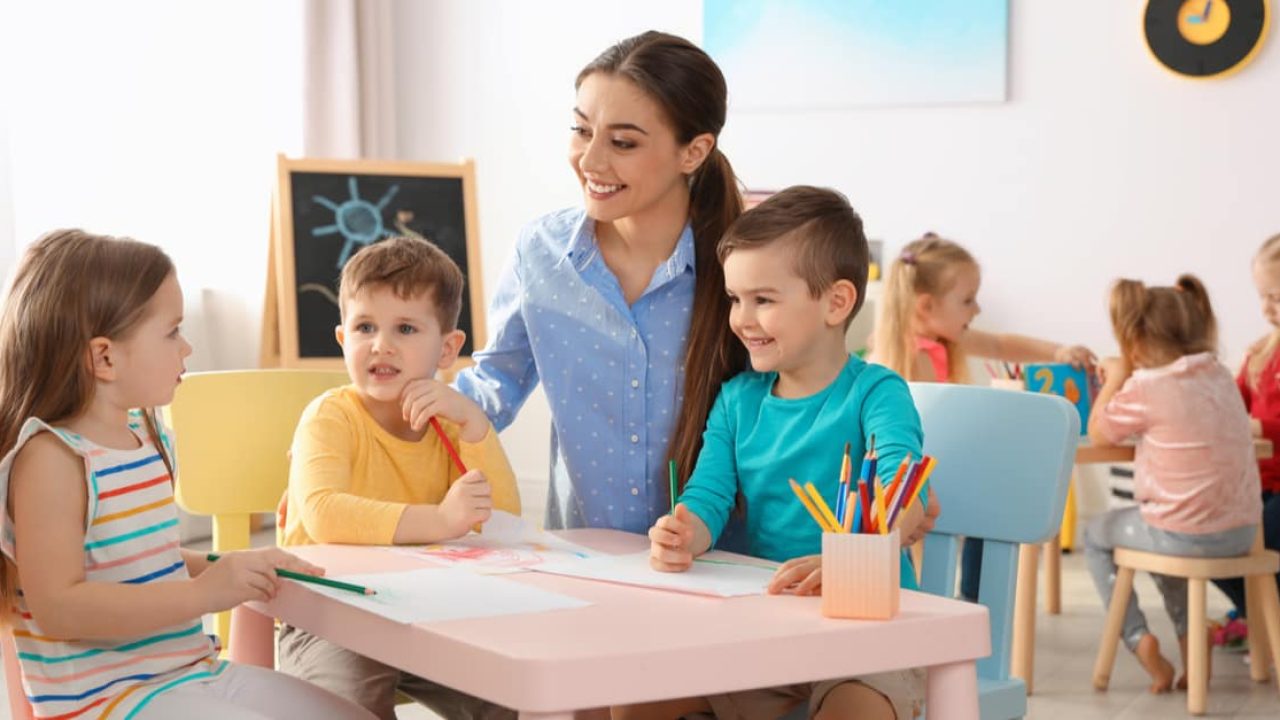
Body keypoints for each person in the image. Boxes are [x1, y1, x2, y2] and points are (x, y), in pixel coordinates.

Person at [0, 229, 375, 720]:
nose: (188, 348)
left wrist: (231, 565)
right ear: (105, 357)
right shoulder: (51, 460)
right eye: (172, 331)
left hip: (189, 672)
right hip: (110, 702)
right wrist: (205, 592)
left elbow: (133, 557)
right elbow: (59, 608)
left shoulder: (142, 435)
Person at [627, 187, 927, 720]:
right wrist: (685, 532)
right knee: (638, 700)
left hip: (870, 631)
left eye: (763, 300)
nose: (741, 318)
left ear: (836, 303)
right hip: (767, 630)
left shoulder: (877, 393)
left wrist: (854, 558)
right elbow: (708, 495)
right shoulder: (737, 400)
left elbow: (903, 494)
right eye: (735, 299)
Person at [452, 30, 742, 534]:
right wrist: (364, 436)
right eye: (582, 130)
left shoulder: (740, 265)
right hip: (584, 560)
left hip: (721, 569)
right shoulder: (540, 252)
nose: (590, 161)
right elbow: (491, 387)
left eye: (622, 142)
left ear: (693, 152)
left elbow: (801, 396)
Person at [278, 236, 521, 720]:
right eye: (365, 326)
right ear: (344, 339)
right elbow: (324, 515)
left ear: (448, 349)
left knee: (513, 698)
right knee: (346, 708)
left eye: (405, 328)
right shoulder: (329, 416)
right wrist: (440, 520)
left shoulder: (451, 423)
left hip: (430, 611)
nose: (381, 344)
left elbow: (506, 521)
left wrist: (475, 425)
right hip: (330, 615)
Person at [870, 232, 1094, 600]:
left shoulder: (942, 341)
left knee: (991, 510)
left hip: (937, 479)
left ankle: (970, 601)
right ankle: (957, 603)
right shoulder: (909, 359)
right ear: (926, 306)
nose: (977, 311)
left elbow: (1001, 344)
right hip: (913, 487)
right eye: (968, 301)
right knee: (977, 516)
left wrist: (1060, 351)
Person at [1084, 274, 1260, 693]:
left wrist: (1115, 374)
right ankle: (1191, 642)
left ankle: (1136, 638)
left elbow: (1099, 433)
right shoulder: (1219, 375)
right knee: (1166, 534)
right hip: (1243, 533)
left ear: (1137, 342)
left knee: (1095, 534)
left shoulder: (1147, 386)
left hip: (1181, 533)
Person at [1211, 233, 1280, 646]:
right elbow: (1231, 405)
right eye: (1262, 297)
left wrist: (1255, 427)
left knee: (1256, 538)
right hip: (1258, 484)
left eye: (1274, 296)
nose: (1265, 308)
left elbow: (1253, 422)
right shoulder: (1263, 353)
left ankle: (1263, 615)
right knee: (1211, 537)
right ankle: (1263, 615)